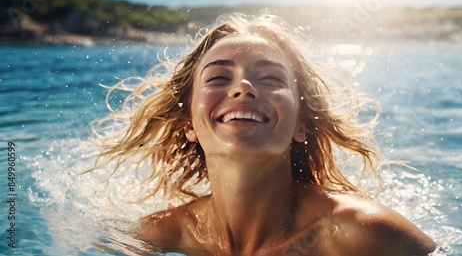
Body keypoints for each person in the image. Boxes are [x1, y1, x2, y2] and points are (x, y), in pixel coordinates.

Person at [91, 13, 436, 255]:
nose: (243, 87)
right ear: (189, 124)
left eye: (270, 79)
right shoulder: (160, 234)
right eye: (218, 78)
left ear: (301, 123)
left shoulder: (363, 233)